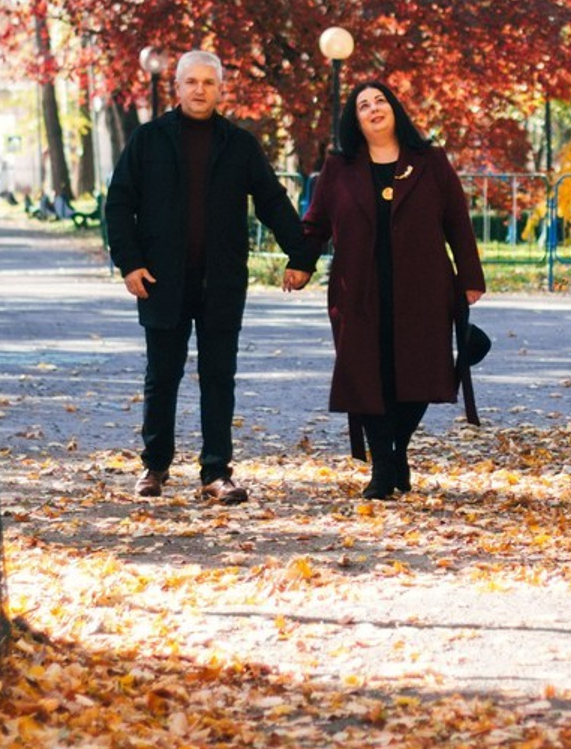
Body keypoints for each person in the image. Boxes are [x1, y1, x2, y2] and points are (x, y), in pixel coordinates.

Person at [105, 50, 315, 504]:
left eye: (209, 82)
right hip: (160, 280)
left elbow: (273, 202)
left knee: (220, 376)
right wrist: (130, 263)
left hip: (221, 281)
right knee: (162, 375)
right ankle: (154, 466)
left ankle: (216, 473)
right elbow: (119, 204)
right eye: (191, 82)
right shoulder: (148, 140)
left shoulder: (238, 144)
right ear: (178, 87)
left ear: (220, 89)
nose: (199, 90)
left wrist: (300, 255)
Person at [286, 80, 485, 500]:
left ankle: (396, 453)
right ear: (354, 119)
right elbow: (316, 222)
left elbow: (457, 220)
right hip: (357, 288)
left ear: (395, 109)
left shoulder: (429, 160)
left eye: (381, 101)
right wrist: (301, 263)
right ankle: (384, 466)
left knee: (421, 373)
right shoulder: (339, 166)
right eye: (363, 105)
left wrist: (469, 277)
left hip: (423, 286)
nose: (374, 109)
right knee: (364, 376)